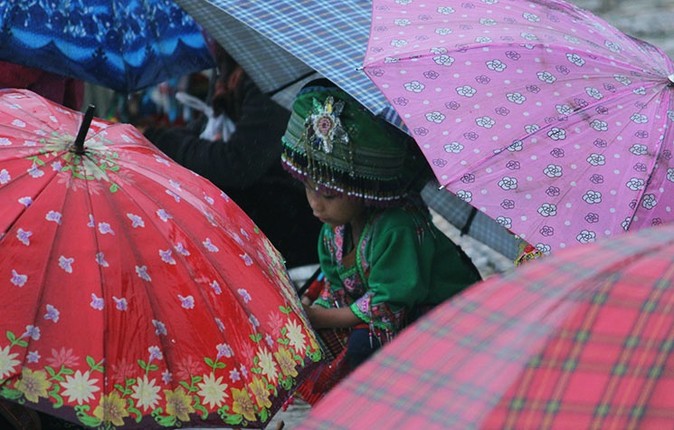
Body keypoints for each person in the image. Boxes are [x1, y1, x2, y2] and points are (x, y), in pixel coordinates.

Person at [281, 79, 482, 397]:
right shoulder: (331, 230)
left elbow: (388, 303)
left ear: (362, 189)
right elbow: (337, 290)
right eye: (309, 187)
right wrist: (310, 310)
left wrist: (321, 316)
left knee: (365, 346)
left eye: (329, 194)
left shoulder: (397, 227)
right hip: (389, 310)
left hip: (443, 312)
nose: (315, 204)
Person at [142, 46, 321, 268]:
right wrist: (152, 139)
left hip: (286, 230)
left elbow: (238, 163)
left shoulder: (270, 72)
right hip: (254, 222)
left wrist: (159, 139)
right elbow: (207, 128)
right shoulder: (229, 70)